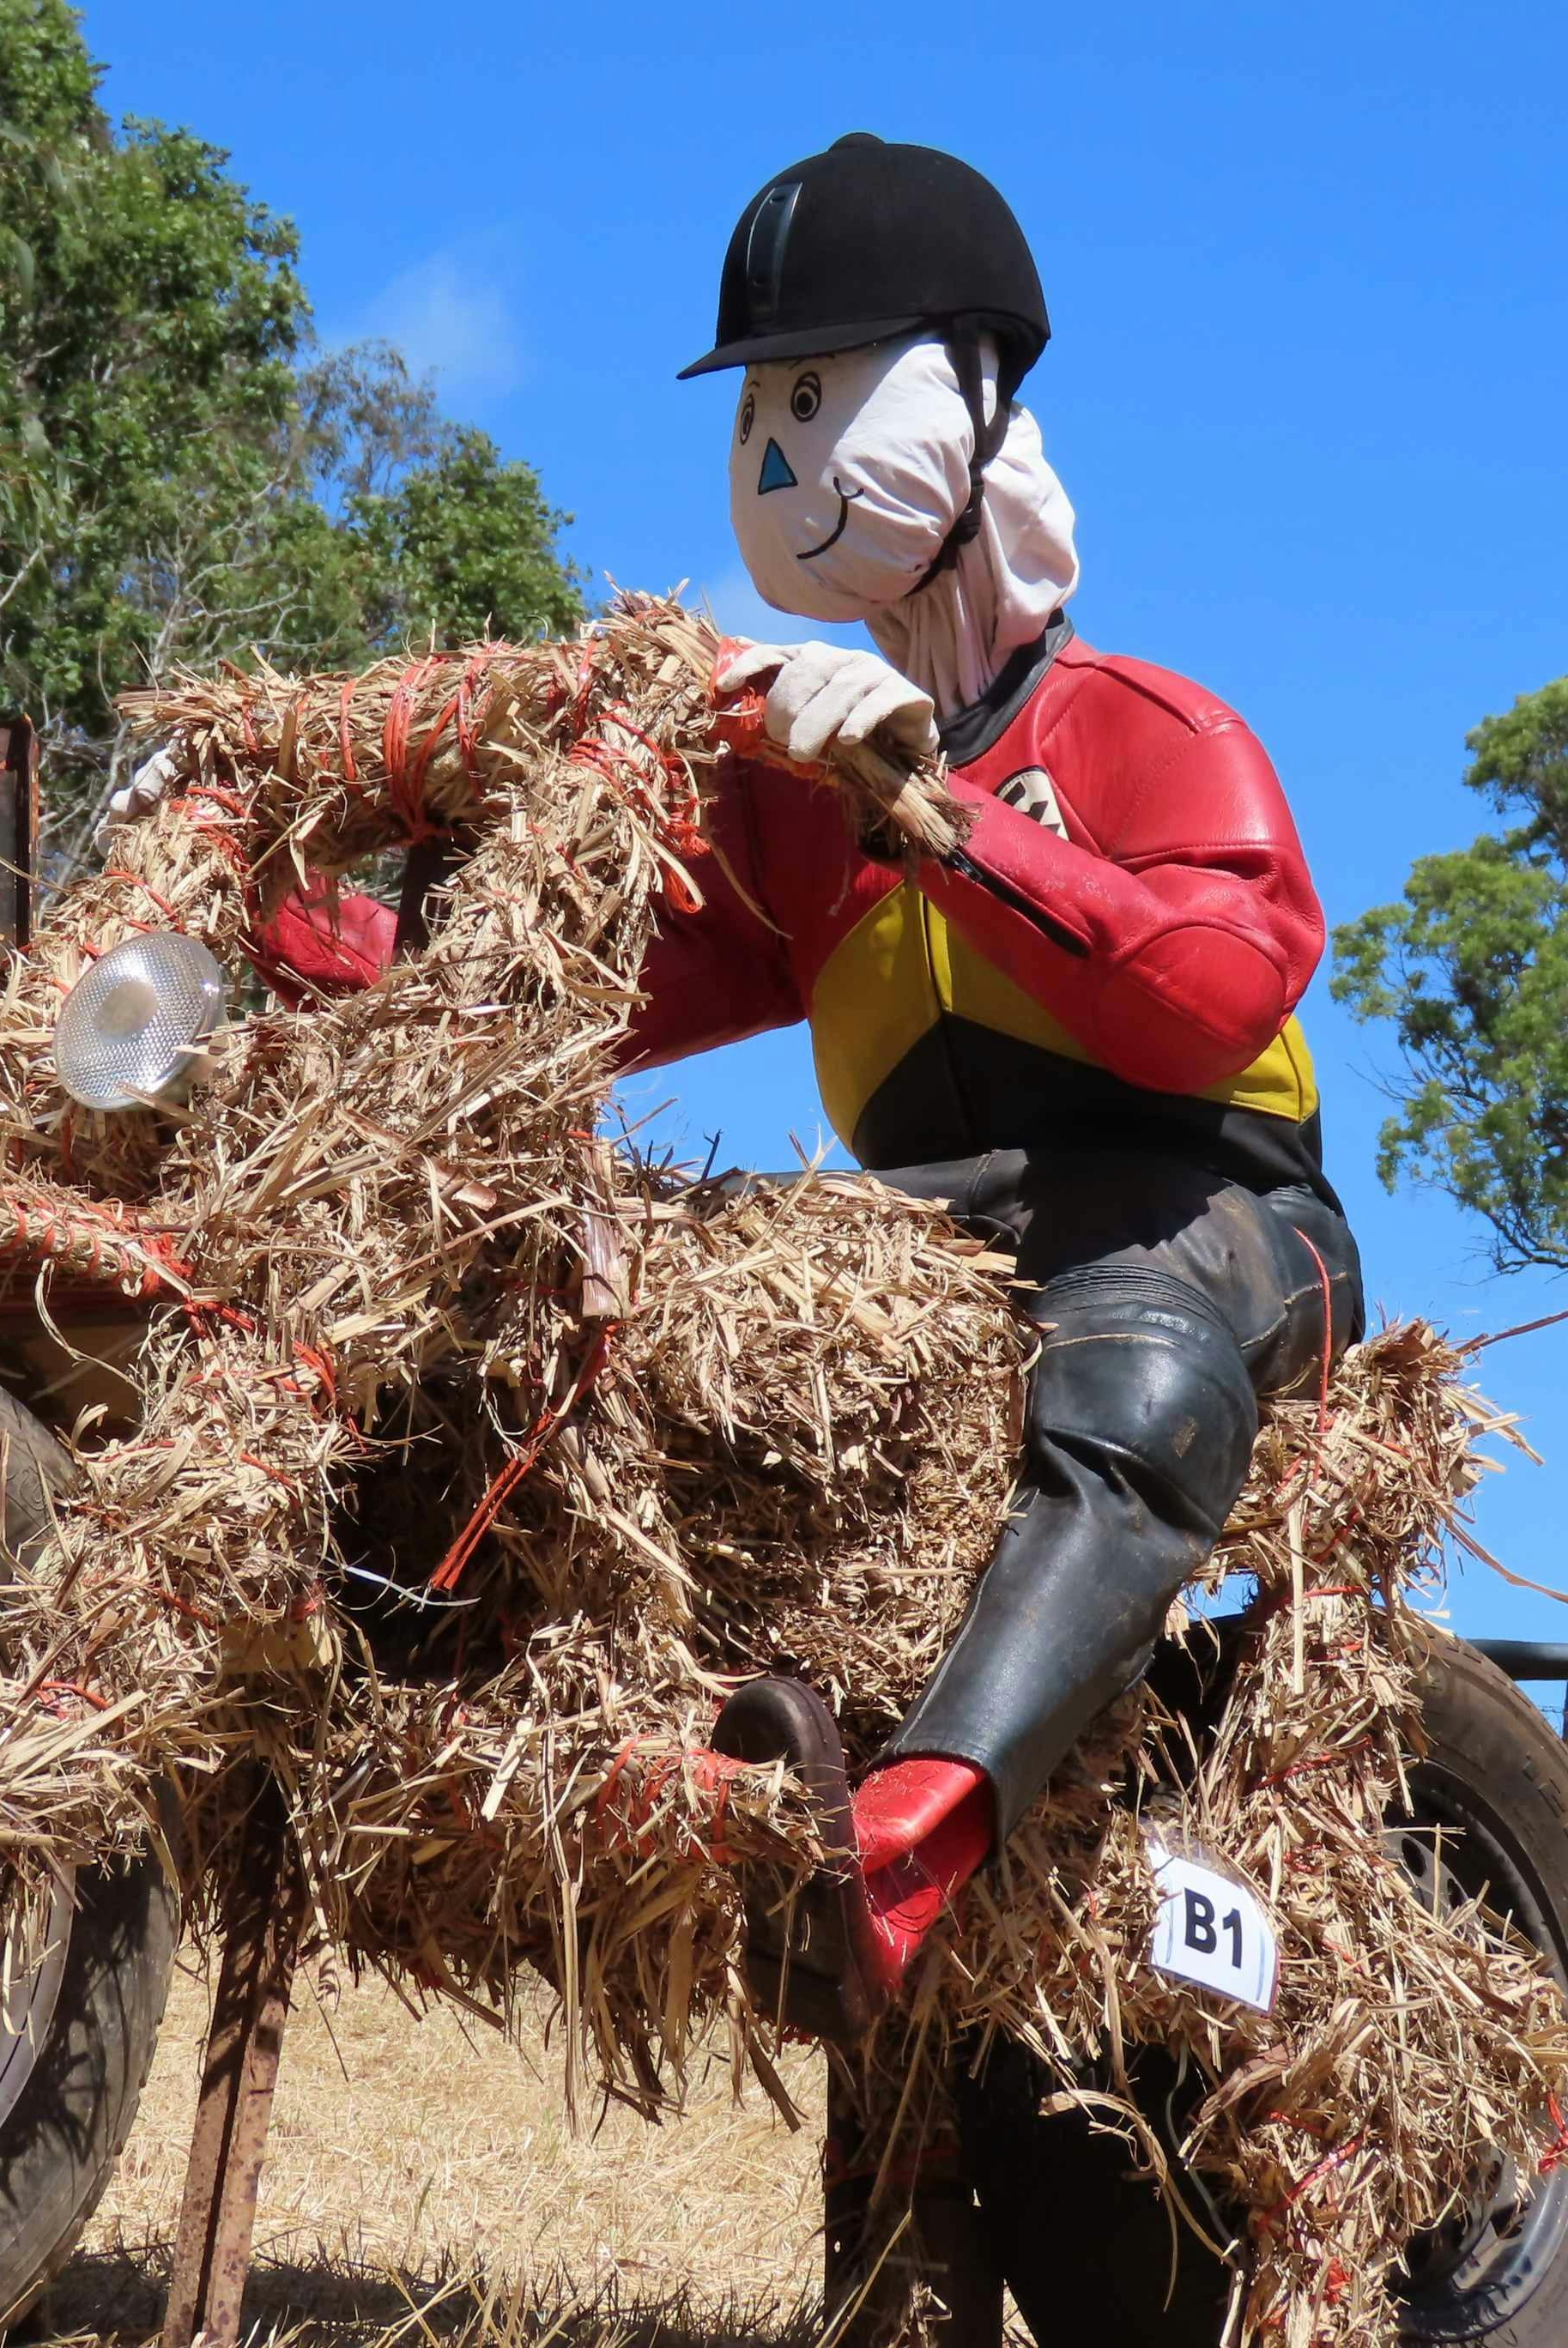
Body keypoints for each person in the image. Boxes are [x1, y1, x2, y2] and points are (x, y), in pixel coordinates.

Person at [653, 133, 1361, 2041]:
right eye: (759, 414)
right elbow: (606, 979)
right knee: (657, 1307)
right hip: (945, 1244)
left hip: (1218, 1217)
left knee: (1138, 1346)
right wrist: (313, 926)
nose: (787, 456)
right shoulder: (803, 809)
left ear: (974, 406)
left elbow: (1220, 987)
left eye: (827, 391)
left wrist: (945, 818)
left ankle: (909, 1836)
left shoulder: (1145, 725)